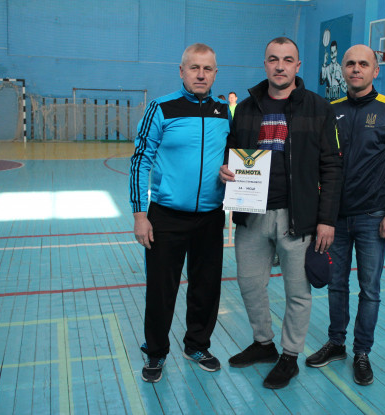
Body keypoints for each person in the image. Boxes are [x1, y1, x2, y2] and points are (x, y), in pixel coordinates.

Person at [219, 37, 342, 389]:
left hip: (297, 216)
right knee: (249, 284)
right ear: (265, 64)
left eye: (287, 60)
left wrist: (326, 220)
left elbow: (332, 168)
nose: (280, 66)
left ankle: (289, 355)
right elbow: (231, 153)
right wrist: (225, 170)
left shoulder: (318, 108)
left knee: (298, 292)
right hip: (253, 215)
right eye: (273, 59)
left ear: (297, 66)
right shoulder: (245, 109)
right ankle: (263, 343)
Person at [305, 44, 385, 386]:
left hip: (373, 218)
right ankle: (336, 343)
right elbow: (318, 164)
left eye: (363, 64)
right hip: (334, 220)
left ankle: (362, 352)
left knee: (370, 290)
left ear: (375, 71)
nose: (356, 69)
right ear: (342, 70)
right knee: (336, 285)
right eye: (350, 63)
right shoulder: (330, 110)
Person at [129, 43, 229, 383]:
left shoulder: (224, 112)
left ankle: (197, 345)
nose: (201, 74)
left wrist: (228, 171)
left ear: (215, 73)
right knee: (161, 289)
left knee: (206, 287)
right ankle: (156, 352)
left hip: (211, 216)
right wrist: (140, 214)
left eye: (207, 68)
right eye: (194, 68)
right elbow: (140, 161)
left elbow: (232, 156)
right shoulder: (161, 108)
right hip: (167, 216)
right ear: (182, 71)